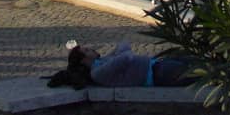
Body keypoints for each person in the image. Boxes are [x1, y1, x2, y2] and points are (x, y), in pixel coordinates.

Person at [48, 40, 193, 90]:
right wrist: (115, 54)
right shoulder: (97, 72)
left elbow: (124, 44)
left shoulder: (102, 62)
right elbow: (126, 56)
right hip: (157, 74)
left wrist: (112, 54)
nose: (91, 49)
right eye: (86, 50)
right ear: (83, 60)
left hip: (158, 65)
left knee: (193, 60)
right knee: (197, 73)